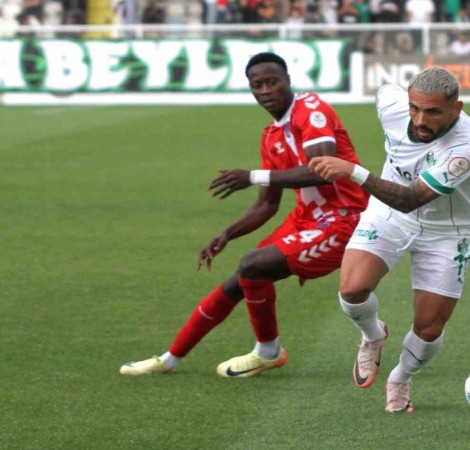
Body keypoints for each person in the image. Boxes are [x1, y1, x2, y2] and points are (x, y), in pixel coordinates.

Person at [120, 52, 369, 377]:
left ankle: (268, 351)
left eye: (272, 82)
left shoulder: (311, 110)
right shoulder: (271, 136)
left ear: (288, 80)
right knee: (243, 277)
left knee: (253, 265)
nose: (265, 91)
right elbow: (267, 205)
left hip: (346, 218)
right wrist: (227, 234)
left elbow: (322, 171)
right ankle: (168, 360)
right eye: (257, 85)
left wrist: (251, 176)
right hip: (307, 219)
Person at [309, 67, 470, 413]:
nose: (420, 120)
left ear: (456, 109)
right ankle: (373, 335)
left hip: (445, 232)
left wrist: (354, 172)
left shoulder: (467, 146)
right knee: (352, 290)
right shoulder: (391, 104)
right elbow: (383, 90)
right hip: (387, 214)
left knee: (429, 328)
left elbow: (410, 199)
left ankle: (401, 377)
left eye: (432, 112)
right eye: (414, 108)